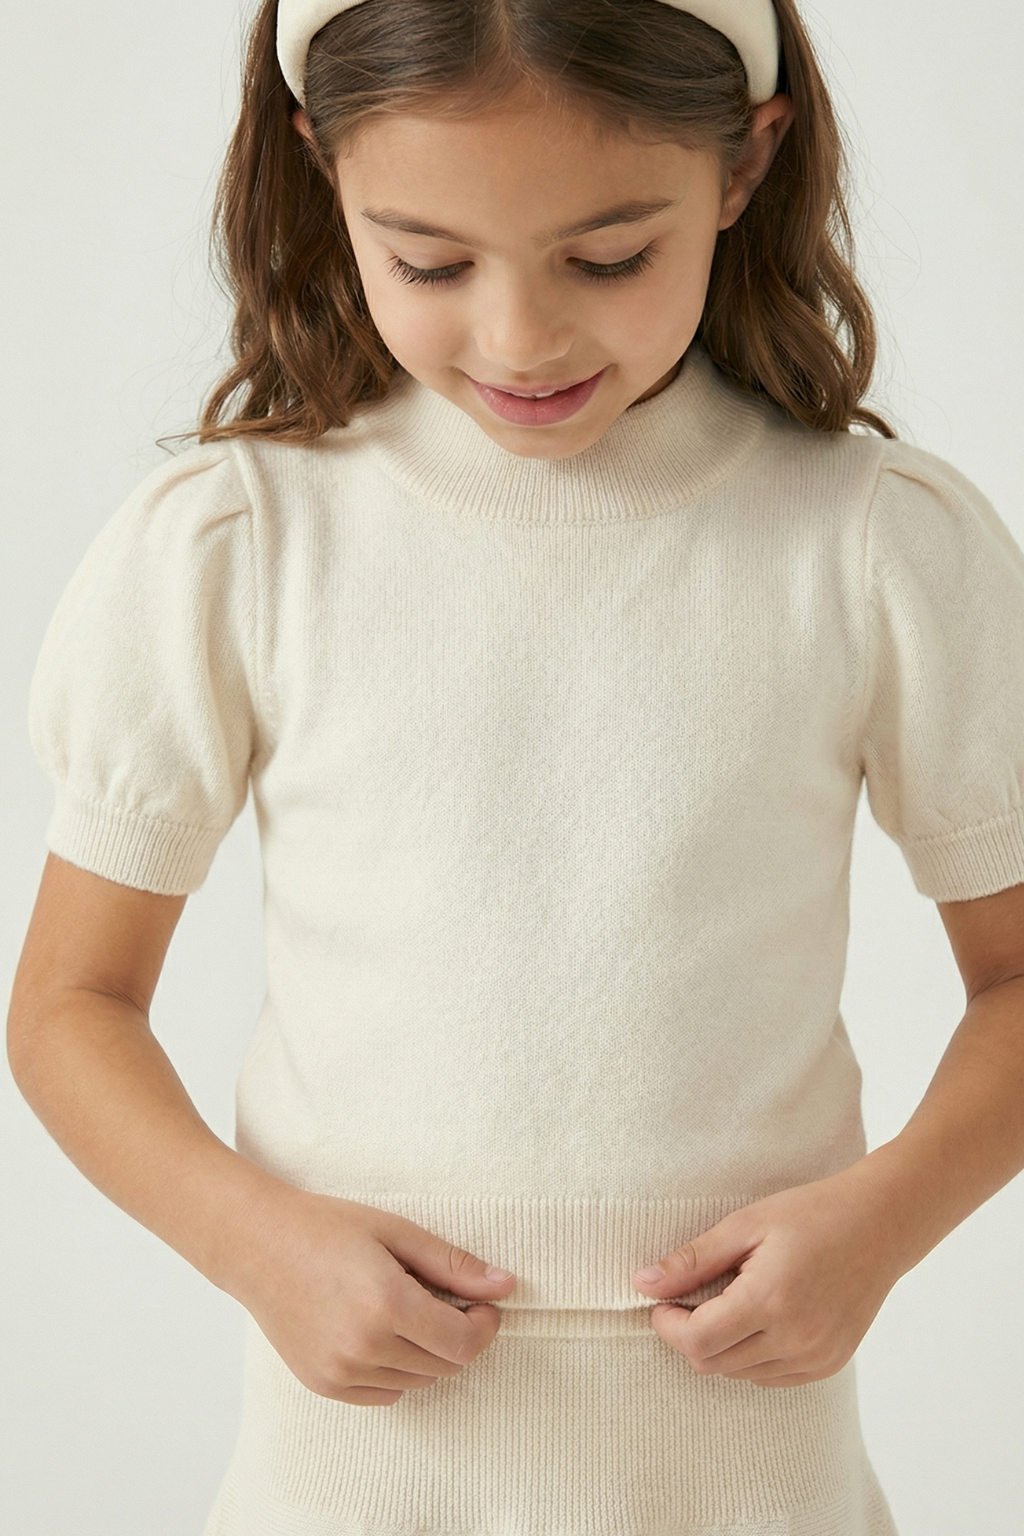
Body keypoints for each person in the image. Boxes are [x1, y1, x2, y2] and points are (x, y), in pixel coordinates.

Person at [9, 0, 1024, 1532]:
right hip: (348, 1470)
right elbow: (71, 1005)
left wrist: (884, 1224)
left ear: (747, 167)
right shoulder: (240, 546)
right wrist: (255, 1245)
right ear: (322, 171)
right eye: (427, 260)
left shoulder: (875, 543)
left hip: (751, 1469)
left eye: (609, 257)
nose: (519, 337)